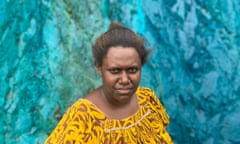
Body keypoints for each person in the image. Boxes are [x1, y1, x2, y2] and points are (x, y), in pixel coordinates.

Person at [45, 22, 173, 144]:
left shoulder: (146, 100)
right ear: (99, 68)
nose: (124, 80)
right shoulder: (83, 117)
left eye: (132, 70)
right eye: (115, 70)